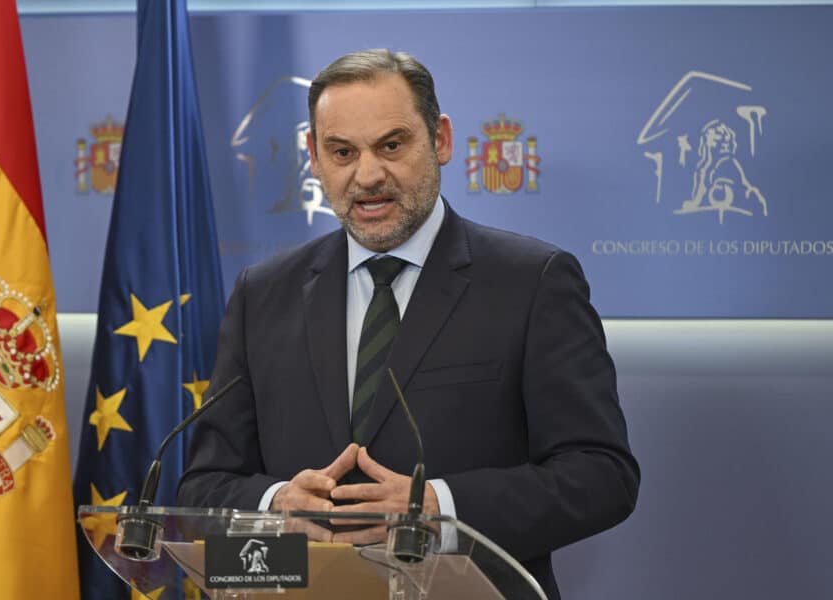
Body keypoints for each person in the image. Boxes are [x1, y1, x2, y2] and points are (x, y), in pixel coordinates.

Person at [177, 49, 640, 598]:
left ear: (440, 140)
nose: (367, 175)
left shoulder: (532, 282)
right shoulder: (264, 293)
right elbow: (202, 486)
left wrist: (440, 507)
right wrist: (276, 503)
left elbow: (601, 475)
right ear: (314, 156)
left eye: (392, 145)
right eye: (342, 152)